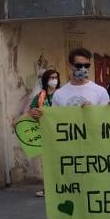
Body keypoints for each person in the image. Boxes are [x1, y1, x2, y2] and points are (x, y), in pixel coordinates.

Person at [29, 48, 110, 219]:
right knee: (75, 199)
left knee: (97, 199)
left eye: (86, 65)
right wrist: (40, 116)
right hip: (71, 156)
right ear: (70, 66)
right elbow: (55, 124)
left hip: (95, 155)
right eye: (79, 65)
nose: (83, 69)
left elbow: (108, 123)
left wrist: (97, 111)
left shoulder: (100, 92)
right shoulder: (60, 95)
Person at [26, 69, 61, 197]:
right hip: (46, 134)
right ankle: (49, 189)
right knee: (48, 163)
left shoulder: (62, 94)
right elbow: (31, 111)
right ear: (46, 80)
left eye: (56, 77)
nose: (54, 80)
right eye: (51, 77)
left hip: (61, 134)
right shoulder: (41, 96)